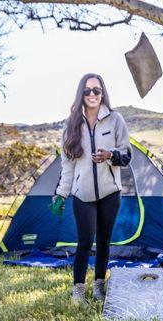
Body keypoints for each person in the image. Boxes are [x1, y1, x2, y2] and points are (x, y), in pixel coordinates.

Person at [54, 74, 132, 305]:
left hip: (110, 193)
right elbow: (67, 166)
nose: (92, 95)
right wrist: (61, 193)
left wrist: (110, 156)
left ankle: (99, 286)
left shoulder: (115, 120)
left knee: (105, 241)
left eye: (96, 91)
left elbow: (127, 155)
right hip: (82, 195)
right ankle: (78, 291)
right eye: (87, 91)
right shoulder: (71, 126)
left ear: (102, 93)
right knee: (85, 241)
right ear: (81, 94)